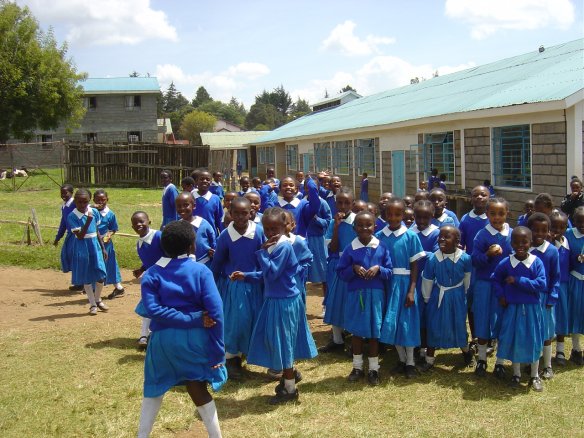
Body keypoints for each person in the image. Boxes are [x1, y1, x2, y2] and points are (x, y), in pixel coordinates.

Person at [137, 221, 226, 438]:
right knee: (197, 388)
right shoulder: (201, 271)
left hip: (161, 341)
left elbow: (153, 310)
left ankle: (142, 435)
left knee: (154, 388)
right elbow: (215, 314)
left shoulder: (151, 274)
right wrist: (217, 349)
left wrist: (185, 318)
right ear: (192, 246)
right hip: (196, 340)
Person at [247, 207, 318, 404]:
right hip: (277, 298)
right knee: (278, 341)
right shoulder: (274, 246)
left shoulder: (283, 247)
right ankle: (290, 376)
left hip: (284, 301)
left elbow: (273, 273)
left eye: (275, 229)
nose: (271, 233)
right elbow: (268, 276)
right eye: (267, 229)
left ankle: (290, 389)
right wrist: (246, 276)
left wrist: (261, 253)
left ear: (284, 227)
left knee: (284, 343)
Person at [210, 197, 264, 380]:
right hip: (236, 287)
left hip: (256, 285)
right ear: (230, 214)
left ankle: (245, 354)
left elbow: (264, 257)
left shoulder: (259, 232)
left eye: (245, 213)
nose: (241, 217)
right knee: (236, 322)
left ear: (251, 213)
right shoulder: (225, 236)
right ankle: (231, 359)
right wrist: (212, 284)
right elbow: (217, 262)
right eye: (236, 214)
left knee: (253, 320)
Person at [337, 211, 393, 385]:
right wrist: (353, 269)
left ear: (375, 227)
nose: (364, 228)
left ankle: (374, 369)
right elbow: (340, 272)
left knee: (375, 332)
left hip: (376, 295)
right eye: (360, 225)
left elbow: (389, 271)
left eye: (368, 225)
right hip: (357, 295)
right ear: (354, 228)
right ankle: (357, 367)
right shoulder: (350, 248)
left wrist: (379, 269)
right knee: (357, 332)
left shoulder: (382, 247)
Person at [492, 226, 546, 391]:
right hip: (512, 308)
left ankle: (534, 375)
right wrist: (501, 295)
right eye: (516, 242)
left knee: (533, 340)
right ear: (511, 243)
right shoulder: (506, 262)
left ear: (531, 242)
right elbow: (495, 279)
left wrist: (518, 280)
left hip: (531, 309)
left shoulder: (536, 262)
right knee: (514, 338)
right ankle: (516, 374)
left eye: (524, 242)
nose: (520, 245)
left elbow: (541, 284)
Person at [376, 198, 425, 378]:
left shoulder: (410, 236)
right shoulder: (380, 236)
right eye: (390, 214)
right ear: (385, 215)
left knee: (407, 322)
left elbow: (415, 266)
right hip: (387, 283)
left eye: (398, 214)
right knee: (392, 322)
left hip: (405, 283)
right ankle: (401, 359)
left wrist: (412, 290)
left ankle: (411, 361)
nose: (393, 218)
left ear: (404, 215)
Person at [420, 226, 473, 370]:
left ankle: (467, 353)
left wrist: (465, 293)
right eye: (440, 236)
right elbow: (427, 279)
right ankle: (430, 359)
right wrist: (426, 298)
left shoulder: (465, 258)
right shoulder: (433, 258)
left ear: (457, 241)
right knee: (434, 325)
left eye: (446, 236)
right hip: (438, 297)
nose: (442, 239)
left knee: (458, 324)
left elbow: (467, 278)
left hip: (457, 296)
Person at [471, 197, 513, 376]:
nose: (497, 218)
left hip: (503, 285)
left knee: (502, 321)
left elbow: (517, 257)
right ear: (487, 214)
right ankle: (481, 360)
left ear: (507, 214)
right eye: (493, 214)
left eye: (501, 214)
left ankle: (500, 362)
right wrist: (488, 254)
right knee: (482, 319)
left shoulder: (511, 234)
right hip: (484, 284)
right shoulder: (482, 235)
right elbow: (474, 259)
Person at [320, 187, 357, 353]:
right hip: (339, 265)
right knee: (335, 300)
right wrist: (336, 227)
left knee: (353, 302)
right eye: (339, 203)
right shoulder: (332, 223)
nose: (342, 206)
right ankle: (337, 339)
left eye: (346, 203)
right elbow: (333, 248)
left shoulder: (358, 221)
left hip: (355, 266)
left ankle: (354, 340)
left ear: (353, 204)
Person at [527, 213, 560, 380]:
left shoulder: (552, 251)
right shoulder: (525, 250)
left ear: (549, 231)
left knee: (546, 334)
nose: (539, 234)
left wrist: (552, 297)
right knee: (531, 331)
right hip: (529, 298)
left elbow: (555, 276)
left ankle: (547, 365)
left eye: (543, 230)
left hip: (545, 297)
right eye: (535, 230)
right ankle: (530, 362)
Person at [66, 189, 108, 316]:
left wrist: (103, 247)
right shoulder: (72, 216)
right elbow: (79, 236)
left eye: (85, 202)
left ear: (89, 201)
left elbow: (97, 230)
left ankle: (98, 298)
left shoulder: (93, 211)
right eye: (79, 202)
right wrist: (88, 220)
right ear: (75, 202)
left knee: (101, 274)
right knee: (87, 276)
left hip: (95, 244)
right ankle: (93, 304)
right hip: (82, 246)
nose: (83, 205)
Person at [459, 185, 490, 344]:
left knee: (488, 302)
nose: (479, 198)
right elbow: (461, 244)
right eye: (476, 195)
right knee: (472, 303)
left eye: (483, 195)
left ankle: (490, 337)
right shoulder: (465, 219)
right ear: (471, 198)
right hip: (472, 267)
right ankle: (476, 336)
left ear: (488, 197)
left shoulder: (493, 218)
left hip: (490, 267)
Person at [131, 211, 165, 349]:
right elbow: (150, 260)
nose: (139, 224)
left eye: (142, 221)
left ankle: (155, 334)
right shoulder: (140, 244)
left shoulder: (159, 237)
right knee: (148, 305)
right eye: (135, 223)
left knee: (160, 306)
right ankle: (144, 335)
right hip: (151, 279)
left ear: (149, 222)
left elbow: (168, 254)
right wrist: (142, 269)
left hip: (164, 278)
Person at [410, 200, 439, 359]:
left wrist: (418, 254)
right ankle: (415, 344)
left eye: (425, 218)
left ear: (432, 216)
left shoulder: (436, 233)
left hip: (429, 280)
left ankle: (426, 346)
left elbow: (435, 256)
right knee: (416, 313)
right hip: (413, 279)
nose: (421, 221)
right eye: (418, 217)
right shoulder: (410, 231)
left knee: (428, 313)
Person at [92, 189, 124, 298]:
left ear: (107, 200)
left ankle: (118, 287)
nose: (100, 202)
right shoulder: (91, 211)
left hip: (106, 244)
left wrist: (107, 236)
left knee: (110, 264)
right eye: (98, 200)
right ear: (93, 200)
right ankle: (92, 287)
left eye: (103, 200)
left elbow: (113, 229)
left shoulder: (110, 214)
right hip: (93, 243)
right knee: (94, 263)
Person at [564, 206, 584, 366]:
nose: (583, 225)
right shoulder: (569, 235)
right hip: (576, 279)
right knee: (577, 313)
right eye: (579, 222)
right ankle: (576, 349)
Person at [550, 211, 570, 366]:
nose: (558, 230)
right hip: (550, 287)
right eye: (554, 227)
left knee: (562, 317)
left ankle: (561, 351)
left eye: (562, 227)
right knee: (550, 319)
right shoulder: (548, 246)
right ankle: (545, 351)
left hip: (563, 285)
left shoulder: (567, 242)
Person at [175, 192, 216, 267]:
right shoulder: (177, 227)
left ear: (193, 206)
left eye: (186, 205)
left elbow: (213, 242)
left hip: (204, 264)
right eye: (179, 206)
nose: (182, 208)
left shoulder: (204, 224)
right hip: (184, 265)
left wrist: (214, 252)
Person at [283, 210, 313, 305]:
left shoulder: (298, 242)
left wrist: (297, 269)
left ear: (293, 225)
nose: (282, 227)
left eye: (286, 224)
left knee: (296, 304)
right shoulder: (271, 242)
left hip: (295, 280)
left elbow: (308, 259)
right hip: (277, 282)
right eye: (279, 224)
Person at [54, 183, 80, 290]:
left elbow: (87, 208)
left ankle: (82, 282)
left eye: (66, 193)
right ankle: (78, 282)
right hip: (70, 235)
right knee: (67, 256)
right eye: (62, 193)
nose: (63, 195)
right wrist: (58, 237)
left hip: (78, 235)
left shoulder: (75, 203)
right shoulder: (64, 206)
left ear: (71, 193)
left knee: (77, 258)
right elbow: (63, 222)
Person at [193, 170, 223, 236]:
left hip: (210, 236)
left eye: (207, 179)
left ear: (211, 182)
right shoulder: (190, 198)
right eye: (201, 179)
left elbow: (219, 220)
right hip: (192, 235)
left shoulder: (215, 199)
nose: (205, 181)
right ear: (196, 181)